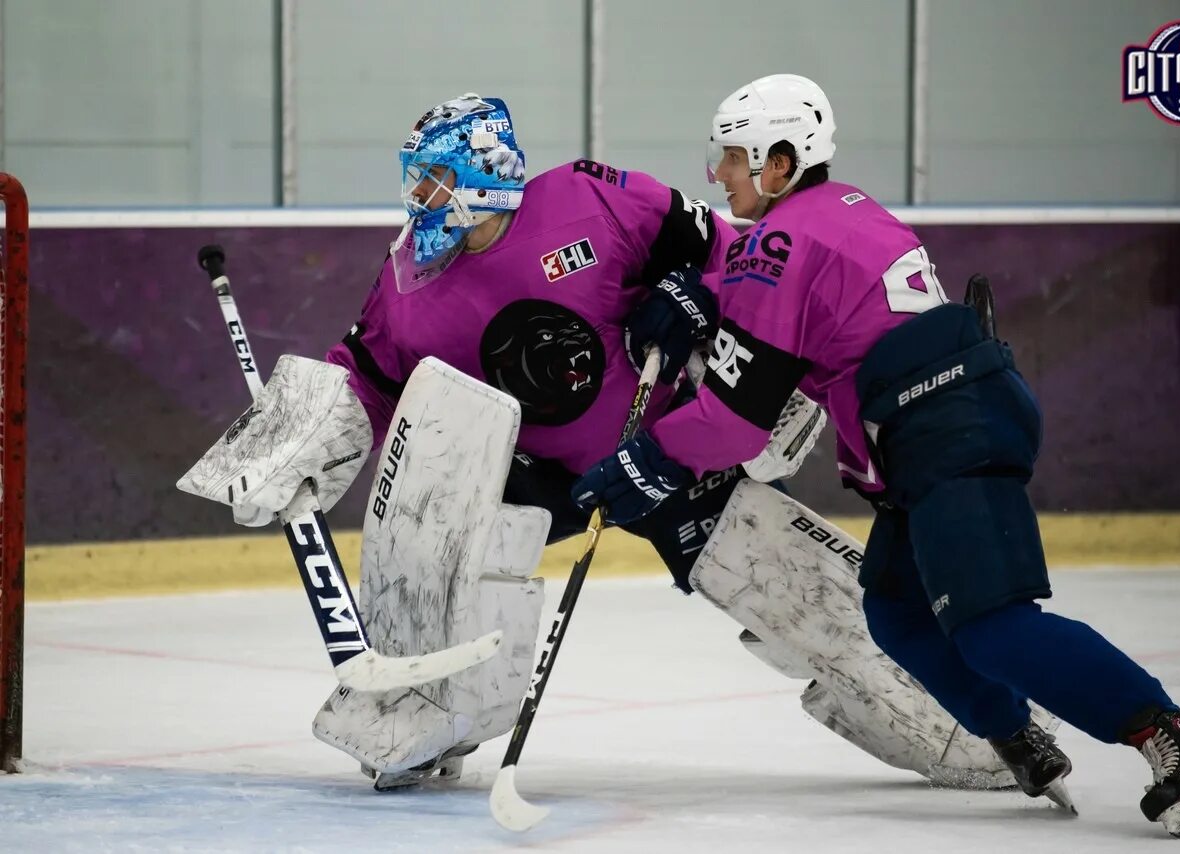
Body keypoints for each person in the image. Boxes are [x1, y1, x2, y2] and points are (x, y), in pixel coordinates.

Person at [178, 93, 1032, 794]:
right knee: (441, 546)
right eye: (419, 183)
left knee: (799, 594)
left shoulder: (586, 195)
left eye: (437, 182)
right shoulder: (407, 283)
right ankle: (420, 717)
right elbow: (364, 372)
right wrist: (303, 442)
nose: (421, 201)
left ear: (486, 175)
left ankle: (977, 727)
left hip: (675, 444)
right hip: (547, 474)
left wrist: (690, 293)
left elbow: (734, 250)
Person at [571, 73, 1180, 838]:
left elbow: (735, 422)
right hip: (946, 419)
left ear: (781, 162)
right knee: (897, 613)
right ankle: (1014, 734)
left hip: (943, 428)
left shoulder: (782, 240)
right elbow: (795, 294)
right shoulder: (840, 210)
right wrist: (699, 290)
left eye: (735, 157)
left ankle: (1175, 744)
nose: (720, 173)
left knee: (993, 626)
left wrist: (647, 459)